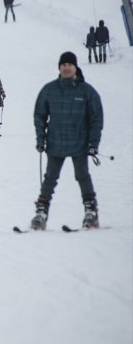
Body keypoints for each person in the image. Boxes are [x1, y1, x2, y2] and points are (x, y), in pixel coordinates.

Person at [31, 52, 103, 231]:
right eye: (63, 64)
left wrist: (93, 143)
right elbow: (39, 115)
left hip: (80, 143)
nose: (66, 67)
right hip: (55, 143)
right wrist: (41, 138)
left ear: (75, 67)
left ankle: (91, 212)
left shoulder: (87, 91)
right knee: (50, 179)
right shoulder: (49, 89)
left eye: (70, 64)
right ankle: (41, 213)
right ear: (59, 67)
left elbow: (96, 118)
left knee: (82, 176)